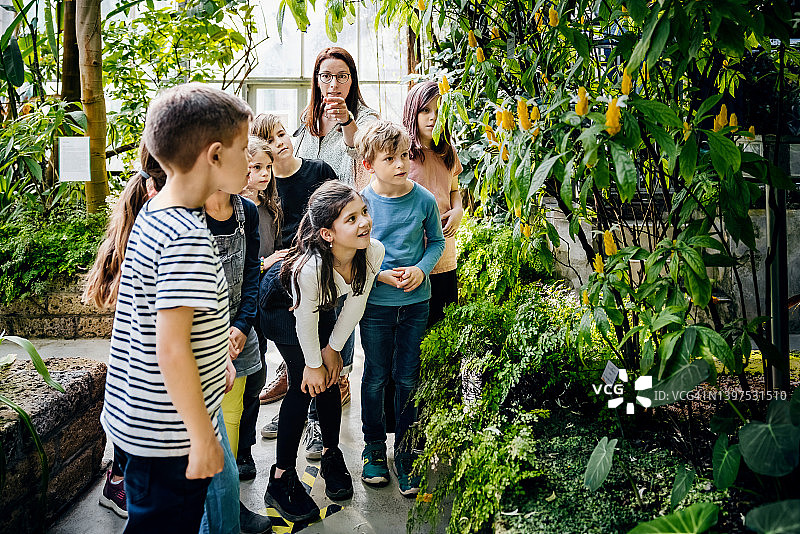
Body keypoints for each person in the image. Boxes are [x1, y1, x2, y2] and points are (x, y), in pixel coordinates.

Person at [96, 83, 251, 534]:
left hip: (138, 420)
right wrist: (203, 436)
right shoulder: (187, 237)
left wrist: (214, 359)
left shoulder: (156, 212)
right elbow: (172, 348)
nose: (249, 158)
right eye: (243, 149)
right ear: (215, 155)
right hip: (169, 437)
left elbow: (150, 323)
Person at [258, 181, 384, 521]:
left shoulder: (372, 251)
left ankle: (331, 453)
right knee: (305, 382)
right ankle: (281, 476)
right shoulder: (310, 268)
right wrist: (314, 362)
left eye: (364, 213)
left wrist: (332, 350)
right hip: (281, 310)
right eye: (351, 218)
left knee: (331, 375)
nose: (364, 223)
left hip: (319, 305)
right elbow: (303, 320)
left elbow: (355, 307)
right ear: (328, 234)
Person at [355, 120, 445, 496]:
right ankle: (373, 447)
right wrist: (381, 277)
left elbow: (436, 244)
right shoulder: (361, 203)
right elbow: (353, 254)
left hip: (415, 306)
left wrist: (422, 271)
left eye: (404, 155)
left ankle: (407, 452)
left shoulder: (423, 199)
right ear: (369, 164)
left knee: (408, 377)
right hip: (375, 306)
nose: (400, 163)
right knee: (376, 376)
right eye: (389, 157)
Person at [251, 113, 337, 460]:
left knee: (325, 364)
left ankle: (315, 425)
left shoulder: (318, 172)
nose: (280, 143)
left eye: (283, 134)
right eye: (270, 141)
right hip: (281, 287)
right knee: (299, 363)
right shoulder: (262, 194)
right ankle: (296, 416)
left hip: (321, 275)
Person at [236, 136, 285, 480]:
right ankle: (238, 450)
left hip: (264, 298)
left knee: (257, 376)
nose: (264, 174)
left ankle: (246, 449)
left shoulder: (270, 208)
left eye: (268, 167)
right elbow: (246, 263)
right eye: (255, 167)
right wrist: (267, 263)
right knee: (244, 380)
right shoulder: (234, 208)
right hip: (241, 304)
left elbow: (275, 249)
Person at [403, 81, 464, 327]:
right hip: (414, 258)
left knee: (444, 328)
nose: (432, 118)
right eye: (425, 111)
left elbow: (454, 190)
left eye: (438, 112)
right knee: (416, 333)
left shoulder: (447, 152)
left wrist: (458, 210)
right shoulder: (404, 156)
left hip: (446, 256)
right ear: (412, 112)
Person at [294, 46, 379, 189]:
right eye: (326, 76)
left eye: (342, 76)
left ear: (352, 80)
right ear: (317, 80)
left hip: (344, 206)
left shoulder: (367, 119)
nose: (334, 85)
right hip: (302, 207)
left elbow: (360, 151)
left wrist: (346, 120)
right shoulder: (308, 116)